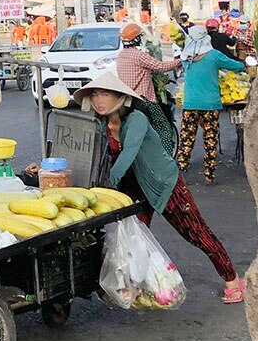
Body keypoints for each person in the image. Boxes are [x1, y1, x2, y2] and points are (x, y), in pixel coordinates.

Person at [71, 73, 243, 303]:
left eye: (105, 94)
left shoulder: (136, 119)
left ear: (120, 97)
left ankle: (232, 279)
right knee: (132, 239)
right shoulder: (100, 123)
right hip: (134, 190)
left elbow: (129, 153)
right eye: (95, 95)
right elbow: (87, 152)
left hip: (164, 184)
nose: (99, 100)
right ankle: (134, 286)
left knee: (195, 233)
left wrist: (105, 185)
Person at [177, 26, 245, 183]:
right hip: (210, 104)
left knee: (187, 136)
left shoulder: (186, 57)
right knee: (210, 138)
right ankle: (209, 174)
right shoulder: (213, 56)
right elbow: (235, 66)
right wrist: (244, 64)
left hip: (190, 104)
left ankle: (182, 166)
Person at [115, 23, 181, 154]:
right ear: (136, 39)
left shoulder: (121, 56)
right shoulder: (139, 55)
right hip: (144, 100)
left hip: (127, 99)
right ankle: (166, 156)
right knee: (164, 127)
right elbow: (160, 66)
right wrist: (179, 62)